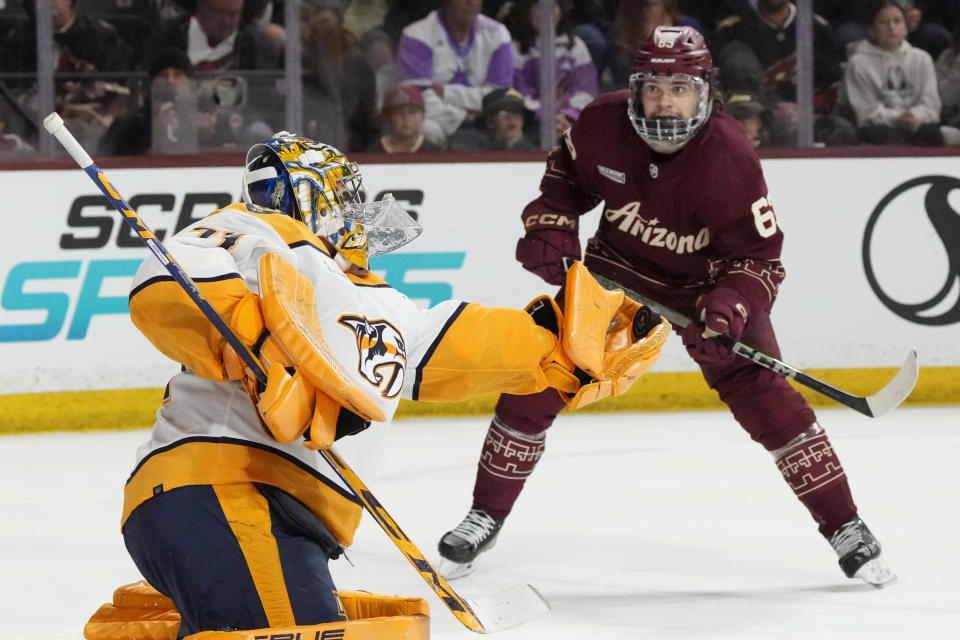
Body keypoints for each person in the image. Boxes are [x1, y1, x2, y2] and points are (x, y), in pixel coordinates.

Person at [119, 132, 670, 636]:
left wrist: (565, 348)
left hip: (268, 514)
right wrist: (264, 347)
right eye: (345, 197)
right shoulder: (258, 234)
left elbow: (458, 345)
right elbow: (166, 282)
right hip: (220, 491)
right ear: (313, 197)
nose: (356, 213)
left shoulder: (367, 300)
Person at [436, 25, 896, 589]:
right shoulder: (601, 123)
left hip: (702, 290)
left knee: (766, 400)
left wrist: (729, 308)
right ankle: (486, 513)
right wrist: (549, 224)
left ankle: (845, 524)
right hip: (612, 277)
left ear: (705, 92)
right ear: (635, 88)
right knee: (537, 376)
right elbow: (564, 181)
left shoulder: (729, 157)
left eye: (678, 87)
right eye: (653, 85)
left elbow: (759, 260)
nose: (663, 100)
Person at [394, 0, 513, 147]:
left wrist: (446, 92)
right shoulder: (417, 35)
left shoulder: (498, 34)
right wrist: (463, 116)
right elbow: (416, 100)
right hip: (438, 119)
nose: (470, 3)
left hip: (485, 119)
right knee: (426, 128)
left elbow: (500, 95)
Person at [840, 0, 957, 146]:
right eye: (884, 22)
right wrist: (898, 118)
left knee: (931, 134)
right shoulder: (858, 62)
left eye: (897, 21)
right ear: (871, 29)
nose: (891, 27)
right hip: (877, 127)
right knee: (888, 138)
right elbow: (865, 112)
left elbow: (931, 104)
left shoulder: (921, 58)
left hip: (916, 122)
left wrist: (915, 116)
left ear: (905, 28)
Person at [505, 0, 598, 142]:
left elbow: (585, 89)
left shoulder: (575, 46)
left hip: (569, 122)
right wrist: (547, 118)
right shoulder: (515, 49)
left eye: (554, 5)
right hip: (533, 123)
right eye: (538, 7)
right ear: (526, 11)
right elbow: (519, 92)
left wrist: (568, 116)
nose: (546, 13)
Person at [369, 85, 442, 153]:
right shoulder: (374, 152)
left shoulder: (432, 152)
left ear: (422, 116)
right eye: (399, 113)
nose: (406, 118)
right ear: (387, 117)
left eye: (412, 112)